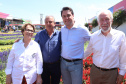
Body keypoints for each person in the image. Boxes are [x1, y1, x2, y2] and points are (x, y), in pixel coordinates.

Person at [84, 10, 126, 84]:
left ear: (111, 20)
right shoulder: (94, 36)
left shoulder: (120, 35)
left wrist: (122, 73)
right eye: (101, 20)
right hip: (95, 72)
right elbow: (87, 51)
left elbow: (123, 56)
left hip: (111, 74)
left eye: (107, 19)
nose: (104, 22)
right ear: (98, 22)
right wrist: (74, 58)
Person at [60, 7, 91, 84]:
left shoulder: (82, 29)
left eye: (68, 15)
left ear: (73, 15)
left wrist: (85, 54)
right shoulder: (62, 29)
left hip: (76, 64)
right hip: (63, 63)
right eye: (64, 16)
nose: (66, 18)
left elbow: (93, 42)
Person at [35, 16, 61, 84]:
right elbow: (32, 46)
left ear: (54, 23)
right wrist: (21, 41)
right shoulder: (39, 34)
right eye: (46, 22)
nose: (48, 24)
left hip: (56, 65)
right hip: (44, 66)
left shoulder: (60, 34)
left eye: (50, 22)